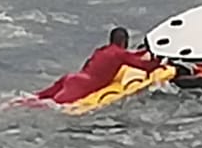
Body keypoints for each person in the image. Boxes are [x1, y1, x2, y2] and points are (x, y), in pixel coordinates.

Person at [31, 27, 162, 104]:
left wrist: (145, 51)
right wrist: (160, 62)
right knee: (50, 106)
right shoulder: (120, 54)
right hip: (83, 86)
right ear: (124, 41)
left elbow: (132, 56)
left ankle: (14, 103)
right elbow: (144, 66)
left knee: (37, 98)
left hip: (73, 78)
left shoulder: (102, 50)